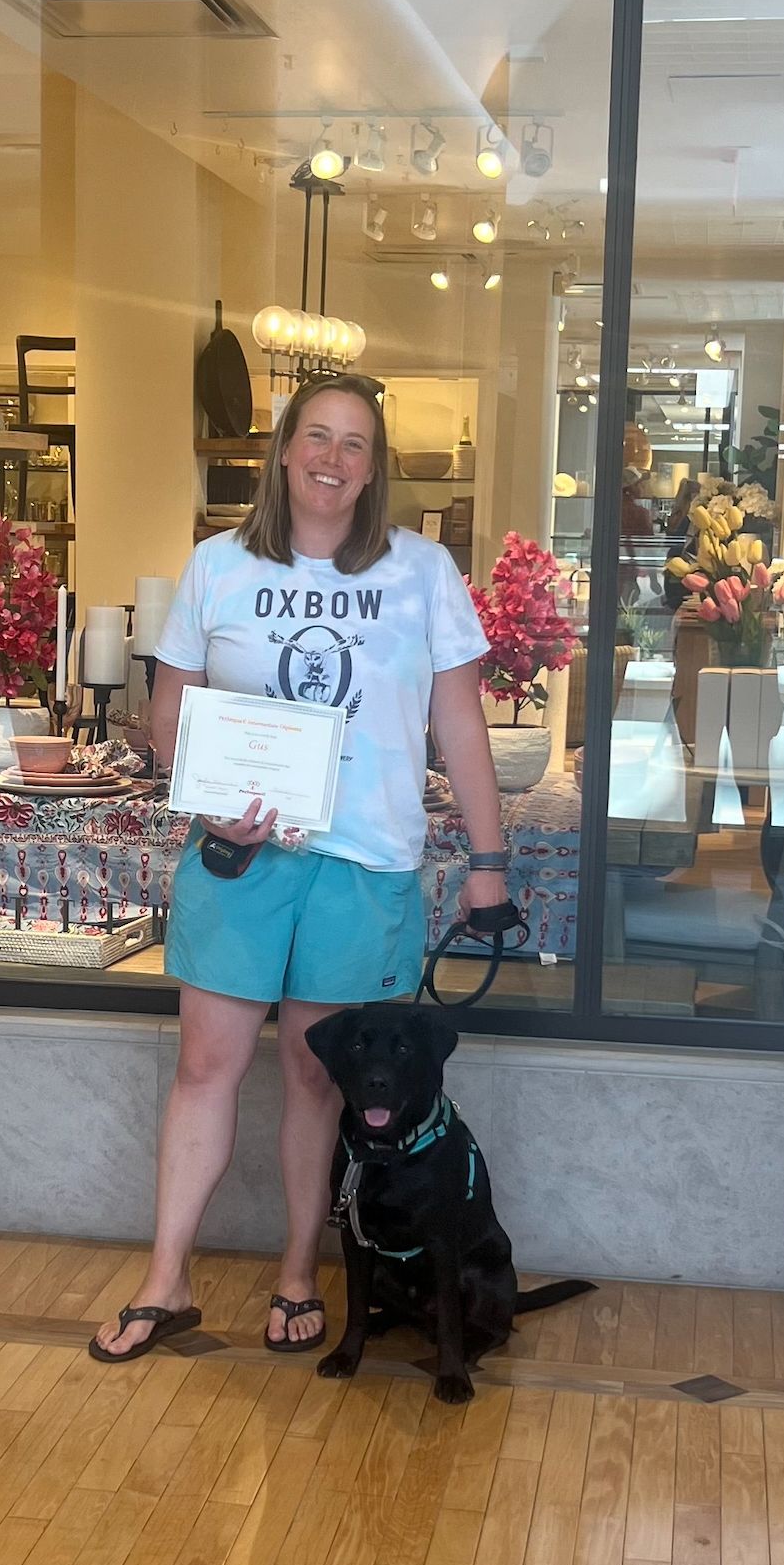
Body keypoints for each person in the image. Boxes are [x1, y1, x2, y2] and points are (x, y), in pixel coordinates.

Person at [90, 374, 511, 1360]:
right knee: (205, 1066)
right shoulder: (217, 565)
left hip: (363, 862)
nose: (333, 457)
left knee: (318, 1078)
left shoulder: (422, 571)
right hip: (239, 858)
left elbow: (460, 723)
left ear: (374, 468)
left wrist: (488, 860)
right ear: (284, 451)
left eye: (355, 443)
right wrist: (207, 800)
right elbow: (169, 711)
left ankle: (296, 1273)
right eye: (317, 436)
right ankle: (165, 1280)